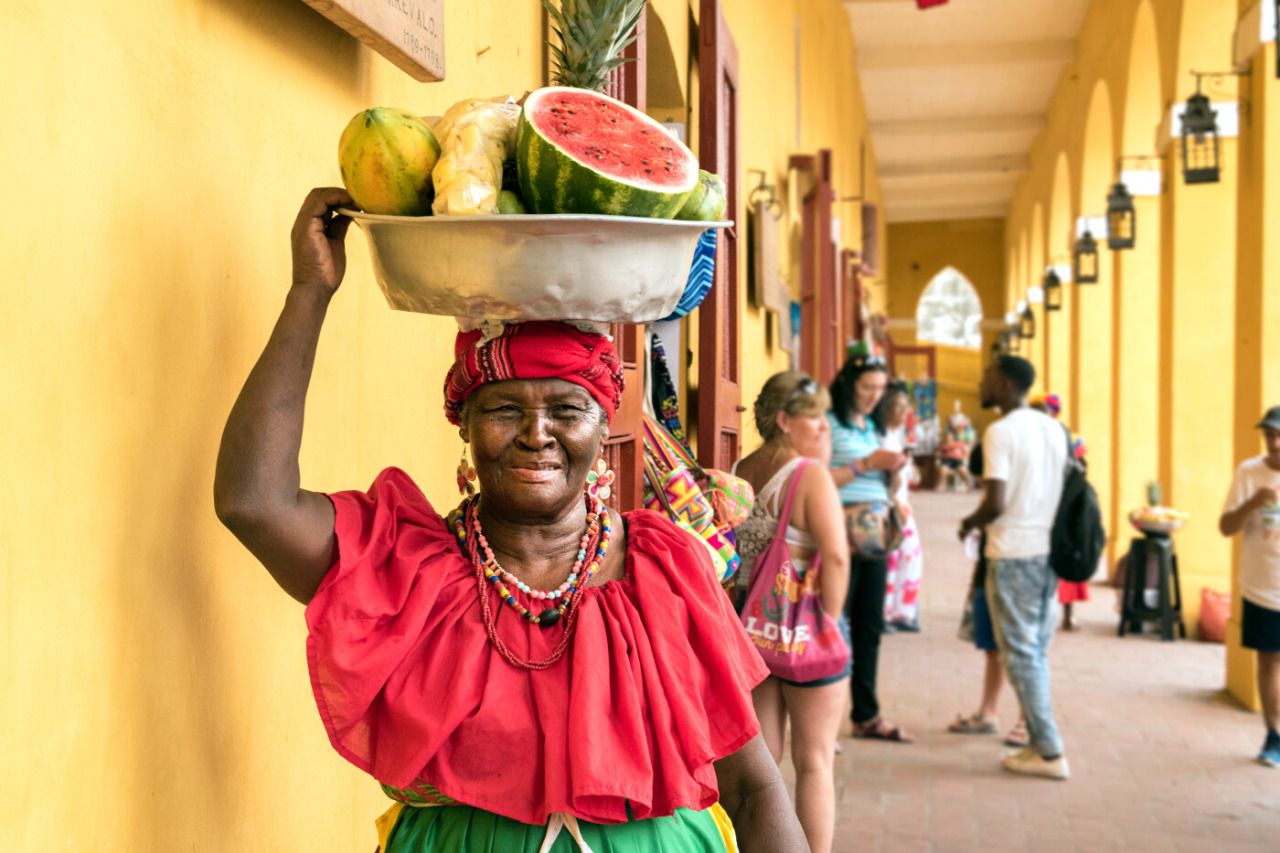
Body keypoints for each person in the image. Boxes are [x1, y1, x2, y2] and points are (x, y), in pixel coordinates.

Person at [212, 188, 808, 852]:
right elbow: (254, 503)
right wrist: (309, 293)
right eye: (503, 409)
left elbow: (754, 789)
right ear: (463, 421)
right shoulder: (405, 570)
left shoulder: (664, 571)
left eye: (565, 408)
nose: (536, 433)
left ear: (603, 423)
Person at [733, 371, 850, 853]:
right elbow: (837, 556)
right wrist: (830, 623)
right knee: (816, 761)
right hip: (804, 629)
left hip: (751, 632)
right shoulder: (809, 476)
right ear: (784, 420)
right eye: (814, 417)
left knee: (765, 760)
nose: (825, 427)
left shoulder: (742, 469)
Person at [958, 355, 1069, 780]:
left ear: (1004, 384)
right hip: (1046, 553)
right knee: (1033, 651)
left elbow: (996, 503)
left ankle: (1048, 749)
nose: (981, 382)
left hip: (1013, 553)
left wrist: (969, 523)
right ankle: (1043, 744)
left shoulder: (1000, 432)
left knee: (1021, 653)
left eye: (986, 376)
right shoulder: (1054, 428)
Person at [827, 350, 912, 742]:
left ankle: (866, 713)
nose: (874, 396)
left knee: (869, 626)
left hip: (875, 534)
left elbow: (884, 483)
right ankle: (823, 723)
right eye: (867, 387)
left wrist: (892, 475)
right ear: (848, 385)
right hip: (836, 532)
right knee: (832, 624)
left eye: (880, 389)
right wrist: (866, 464)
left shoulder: (873, 429)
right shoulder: (828, 424)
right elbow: (815, 477)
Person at [948, 441, 1028, 749]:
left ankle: (1026, 719)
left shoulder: (1017, 494)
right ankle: (988, 712)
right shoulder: (994, 492)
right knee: (993, 648)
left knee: (1020, 651)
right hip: (989, 571)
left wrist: (969, 523)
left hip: (1013, 570)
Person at [1218, 405, 1280, 768]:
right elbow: (1226, 527)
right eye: (1268, 435)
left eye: (1278, 435)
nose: (1273, 442)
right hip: (1262, 586)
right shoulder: (1249, 473)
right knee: (1268, 660)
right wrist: (1253, 502)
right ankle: (1274, 734)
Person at [1030, 393, 1090, 631]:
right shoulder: (1065, 437)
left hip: (1055, 508)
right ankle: (1063, 614)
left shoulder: (1066, 439)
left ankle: (1064, 613)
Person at [875, 382, 923, 633]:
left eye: (906, 406)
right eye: (898, 406)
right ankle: (885, 612)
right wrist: (895, 503)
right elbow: (883, 477)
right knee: (893, 559)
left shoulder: (896, 435)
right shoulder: (881, 437)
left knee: (909, 556)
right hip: (889, 506)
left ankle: (902, 611)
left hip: (901, 505)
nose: (904, 411)